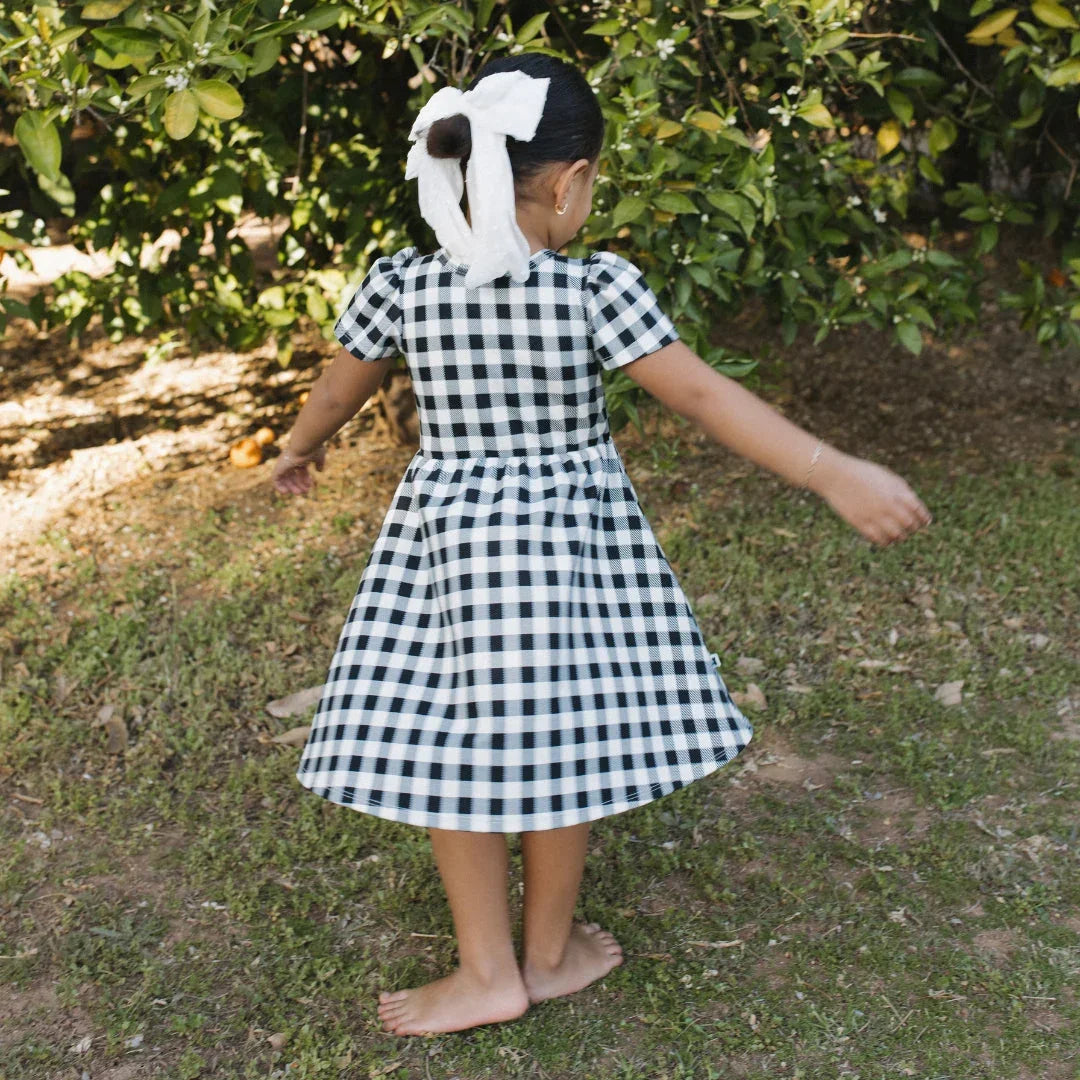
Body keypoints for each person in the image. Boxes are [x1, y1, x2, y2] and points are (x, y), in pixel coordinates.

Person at [271, 54, 932, 1038]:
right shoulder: (597, 288)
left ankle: (490, 969)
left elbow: (343, 383)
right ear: (571, 181)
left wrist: (297, 445)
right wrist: (827, 468)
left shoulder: (399, 281)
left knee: (458, 741)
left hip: (447, 545)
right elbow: (704, 394)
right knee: (560, 733)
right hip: (570, 550)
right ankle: (549, 952)